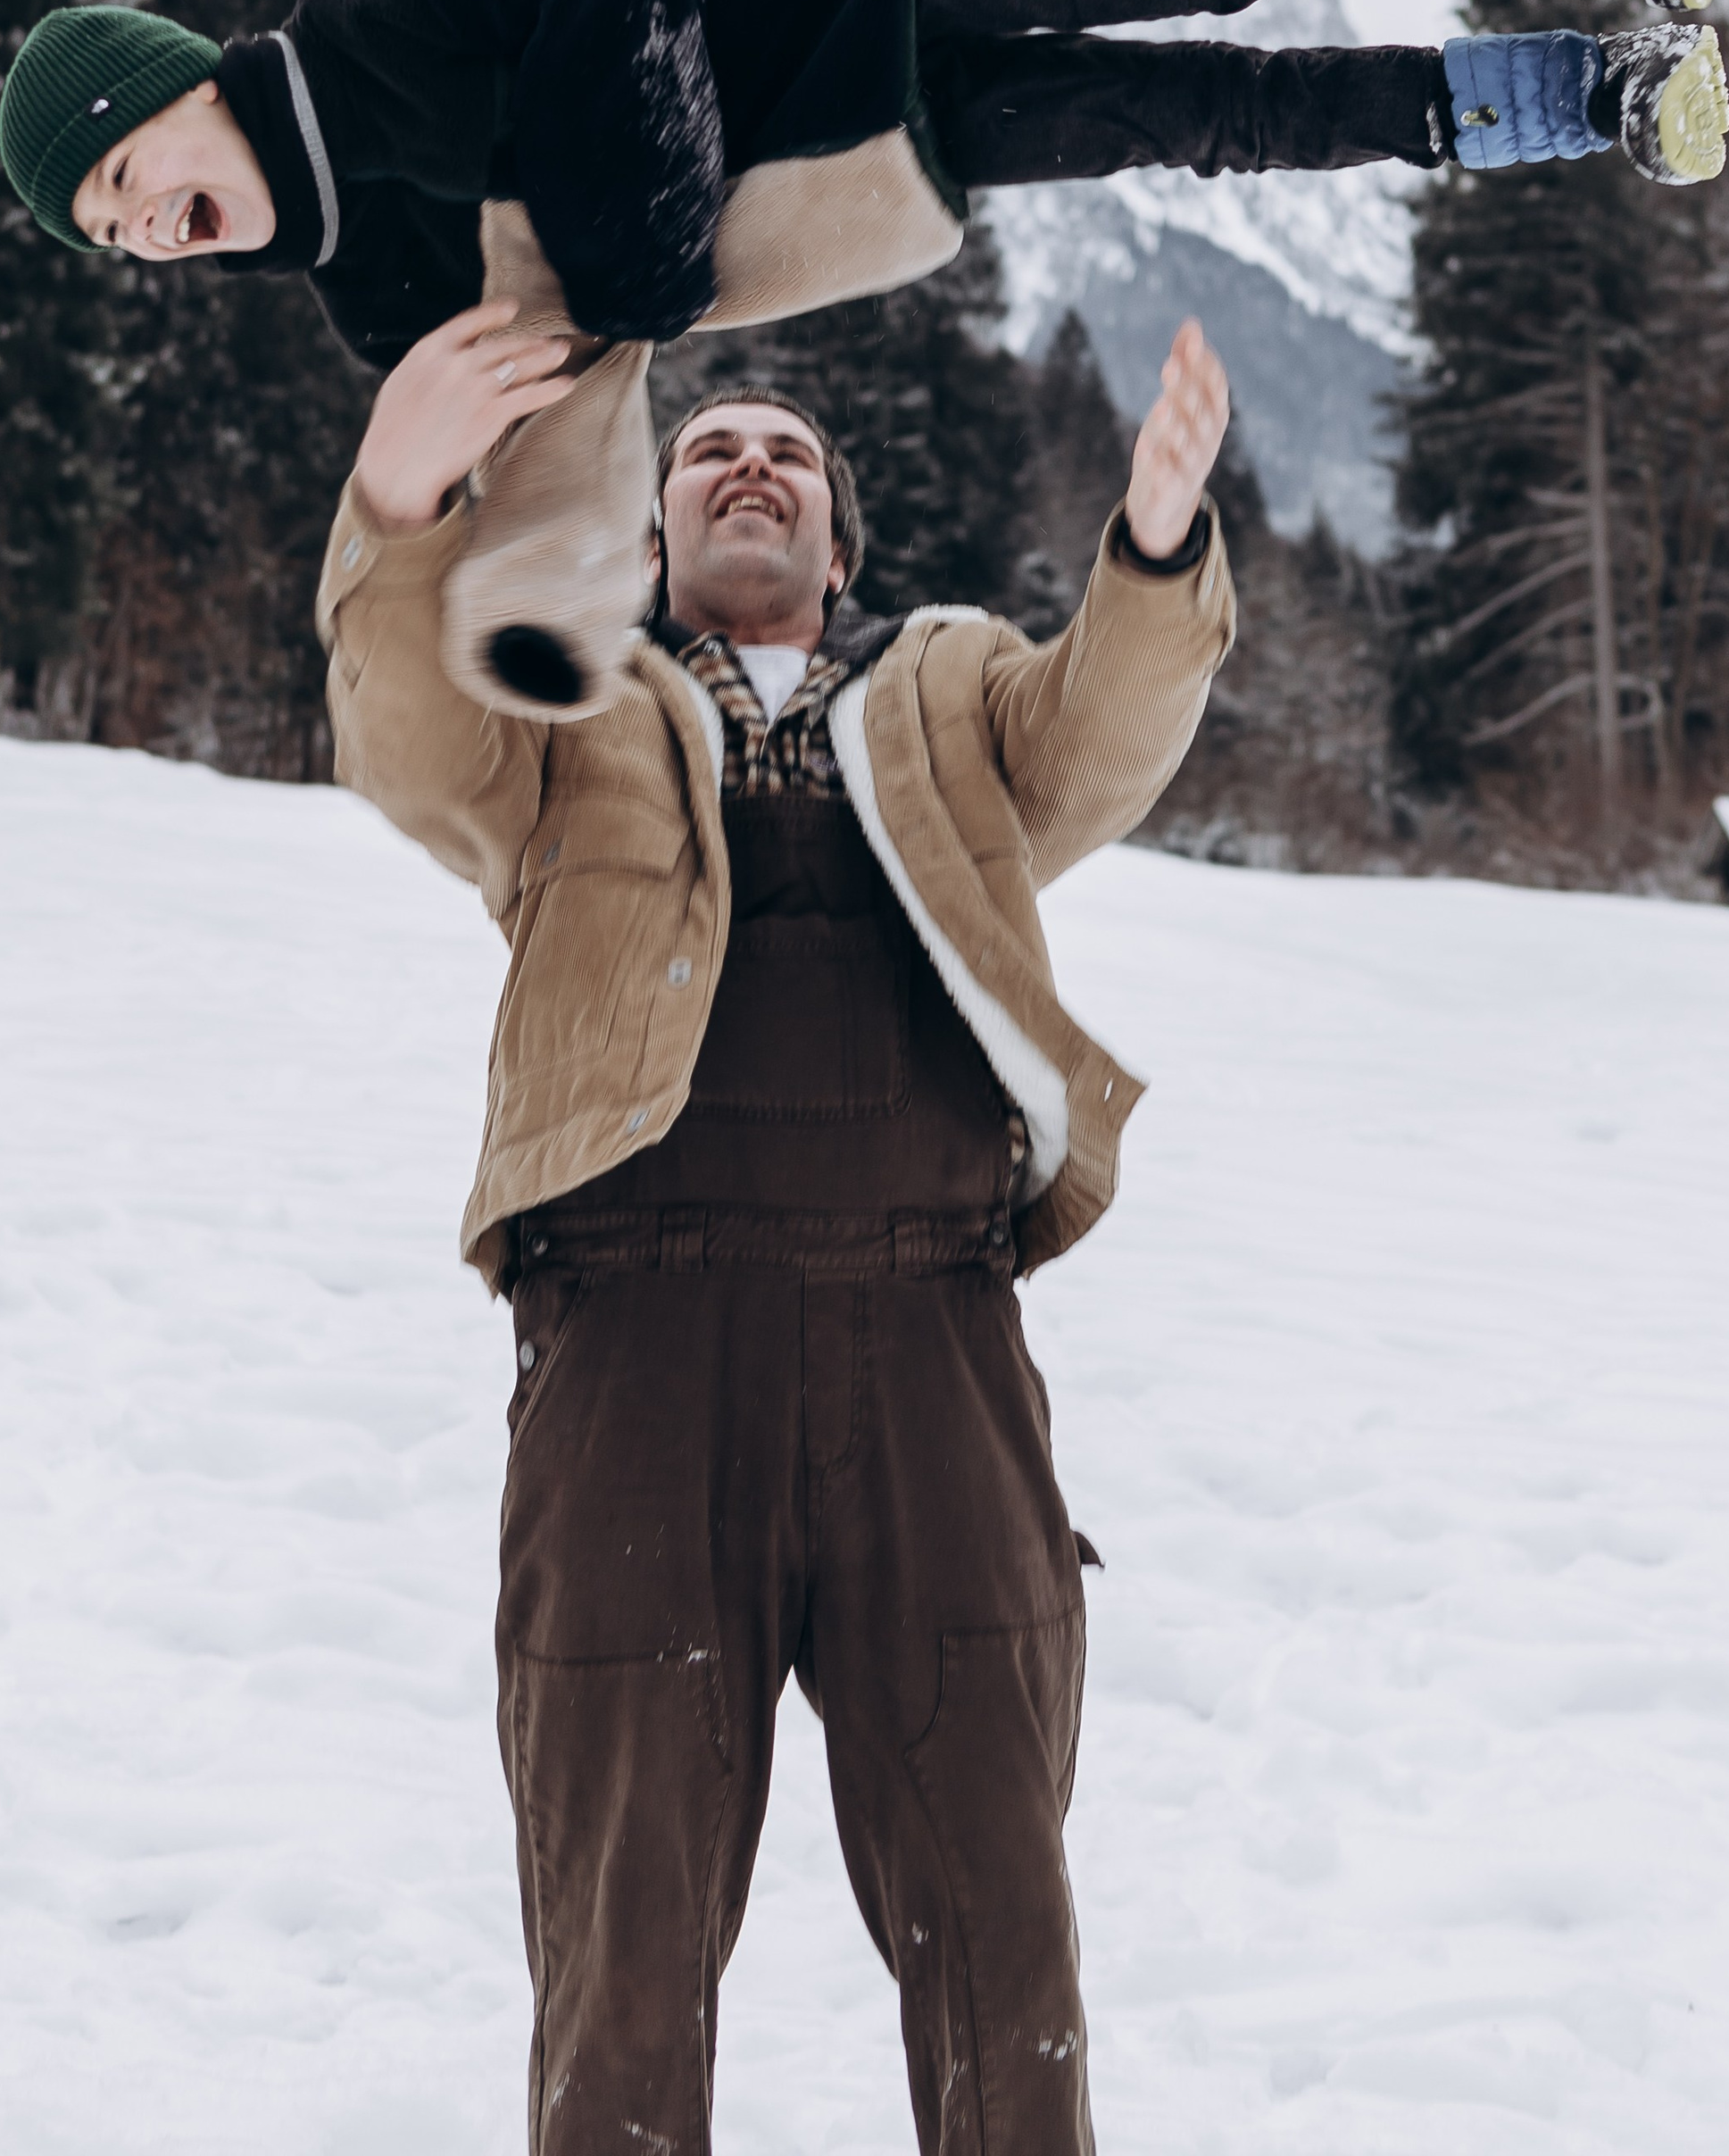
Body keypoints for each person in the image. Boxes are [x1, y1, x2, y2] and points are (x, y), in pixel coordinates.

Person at [315, 297, 1240, 2156]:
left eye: (789, 452)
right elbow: (405, 740)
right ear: (650, 538)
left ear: (841, 537)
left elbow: (1103, 739)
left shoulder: (956, 698)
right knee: (622, 1938)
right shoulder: (563, 703)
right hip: (638, 1357)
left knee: (997, 1918)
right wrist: (403, 498)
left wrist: (1149, 550)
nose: (750, 462)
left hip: (932, 1348)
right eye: (707, 447)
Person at [0, 0, 1729, 718]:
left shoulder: (359, 21)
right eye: (110, 234)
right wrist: (539, 601)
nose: (142, 232)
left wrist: (645, 249)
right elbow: (573, 417)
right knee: (1215, 117)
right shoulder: (376, 302)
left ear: (185, 87)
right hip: (877, 161)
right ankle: (1593, 93)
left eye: (129, 176)